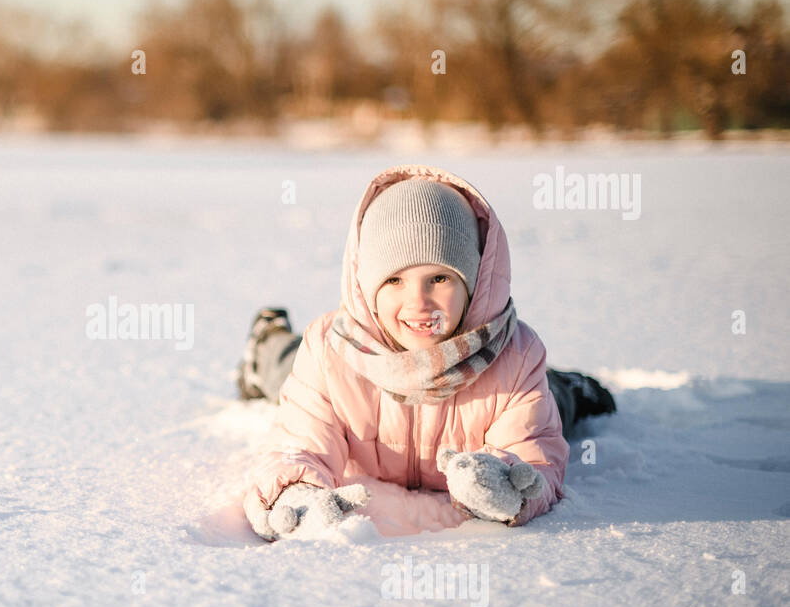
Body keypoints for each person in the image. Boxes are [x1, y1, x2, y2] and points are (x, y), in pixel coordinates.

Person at [236, 165, 616, 540]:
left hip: (507, 374)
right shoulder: (330, 350)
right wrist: (296, 493)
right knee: (284, 370)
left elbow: (533, 453)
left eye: (439, 278)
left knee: (551, 399)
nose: (418, 302)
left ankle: (569, 387)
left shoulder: (516, 356)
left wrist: (502, 483)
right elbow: (299, 445)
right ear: (367, 289)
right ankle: (266, 339)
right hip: (336, 364)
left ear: (472, 281)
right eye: (395, 280)